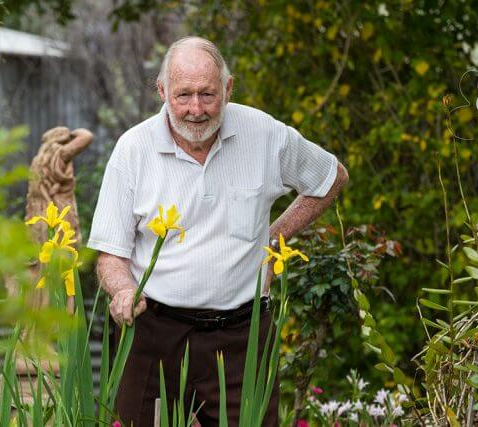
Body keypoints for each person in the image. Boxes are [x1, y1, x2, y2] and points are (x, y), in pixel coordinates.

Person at [88, 36, 349, 426]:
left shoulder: (264, 134)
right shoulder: (133, 149)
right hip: (154, 332)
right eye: (184, 95)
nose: (196, 109)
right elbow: (111, 252)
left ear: (227, 88)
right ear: (162, 91)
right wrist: (123, 288)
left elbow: (330, 178)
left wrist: (275, 238)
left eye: (208, 94)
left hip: (241, 335)